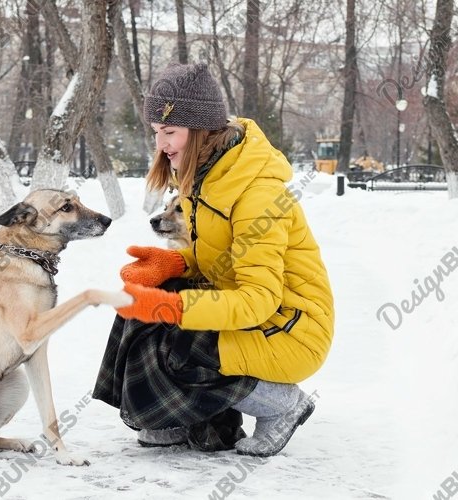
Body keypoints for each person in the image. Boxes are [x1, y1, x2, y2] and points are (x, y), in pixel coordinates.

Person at [93, 63, 334, 457]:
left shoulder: (258, 196)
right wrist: (174, 266)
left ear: (201, 129)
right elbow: (217, 257)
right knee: (138, 311)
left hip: (289, 328)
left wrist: (174, 308)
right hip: (256, 316)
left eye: (169, 132)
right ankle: (176, 416)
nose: (161, 145)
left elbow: (259, 298)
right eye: (157, 133)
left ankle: (283, 405)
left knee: (180, 346)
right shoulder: (204, 177)